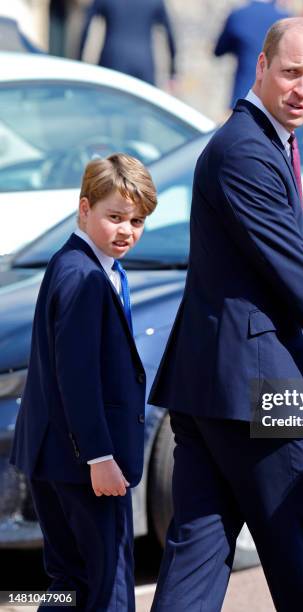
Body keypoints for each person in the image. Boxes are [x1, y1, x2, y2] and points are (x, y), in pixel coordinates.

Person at [148, 16, 303, 612]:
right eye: (290, 72)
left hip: (218, 389)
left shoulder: (264, 143)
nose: (302, 87)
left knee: (196, 566)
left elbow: (269, 291)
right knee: (299, 561)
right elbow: (296, 275)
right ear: (260, 68)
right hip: (251, 393)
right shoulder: (245, 152)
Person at [10, 154, 157, 611]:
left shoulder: (72, 264)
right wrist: (100, 456)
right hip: (85, 464)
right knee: (108, 583)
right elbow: (77, 376)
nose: (126, 230)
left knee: (68, 580)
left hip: (52, 456)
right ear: (84, 209)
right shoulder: (84, 277)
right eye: (114, 217)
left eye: (136, 221)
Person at [78, 0, 177, 86]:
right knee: (143, 105)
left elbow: (87, 26)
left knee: (107, 103)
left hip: (112, 59)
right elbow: (169, 32)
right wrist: (173, 71)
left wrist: (79, 62)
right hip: (144, 64)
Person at [214, 0, 290, 108]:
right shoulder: (285, 20)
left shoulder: (238, 15)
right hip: (276, 100)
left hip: (243, 95)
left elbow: (219, 50)